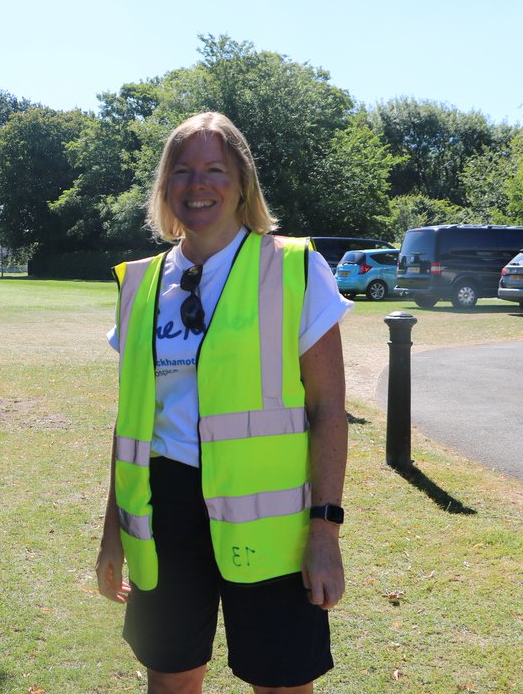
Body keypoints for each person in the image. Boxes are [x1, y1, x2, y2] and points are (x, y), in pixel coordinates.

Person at [95, 111, 351, 694]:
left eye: (215, 168)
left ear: (243, 183)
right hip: (167, 513)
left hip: (271, 523)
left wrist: (325, 533)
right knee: (172, 679)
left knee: (281, 683)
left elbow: (329, 411)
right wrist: (113, 529)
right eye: (182, 171)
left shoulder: (294, 267)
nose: (197, 184)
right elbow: (131, 422)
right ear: (165, 188)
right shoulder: (140, 284)